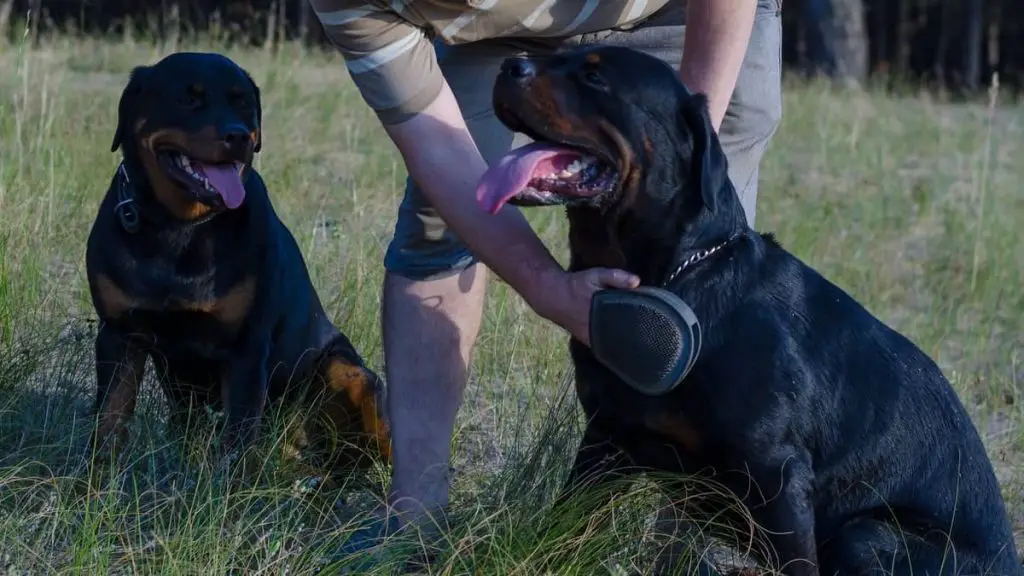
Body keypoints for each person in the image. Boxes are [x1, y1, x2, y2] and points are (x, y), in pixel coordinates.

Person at [309, 0, 783, 555]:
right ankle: (415, 522)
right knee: (437, 229)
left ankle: (690, 549)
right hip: (502, 41)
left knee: (697, 261)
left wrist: (683, 137)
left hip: (684, 14)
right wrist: (547, 288)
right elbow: (441, 151)